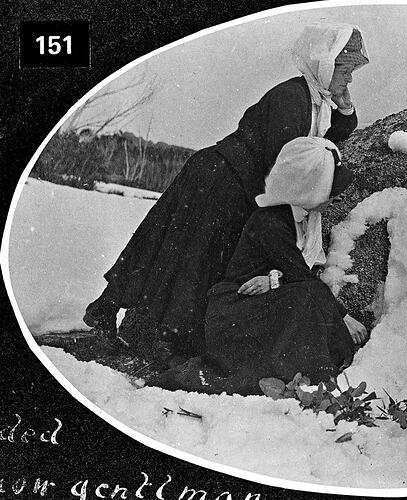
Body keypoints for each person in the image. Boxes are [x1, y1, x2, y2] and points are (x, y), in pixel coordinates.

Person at [82, 23, 370, 360]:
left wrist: (345, 108)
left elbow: (323, 141)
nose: (348, 79)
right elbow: (287, 163)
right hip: (222, 178)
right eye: (345, 70)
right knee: (183, 254)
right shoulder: (292, 97)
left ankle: (131, 321)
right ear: (323, 63)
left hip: (230, 180)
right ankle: (131, 323)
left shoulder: (314, 101)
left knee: (176, 251)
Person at [151, 136, 367, 394]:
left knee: (306, 300)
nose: (335, 197)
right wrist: (344, 316)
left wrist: (275, 281)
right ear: (308, 189)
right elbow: (303, 279)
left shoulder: (305, 218)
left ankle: (307, 371)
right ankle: (296, 375)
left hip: (261, 300)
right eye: (329, 190)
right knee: (306, 297)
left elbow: (298, 272)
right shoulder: (271, 221)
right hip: (235, 308)